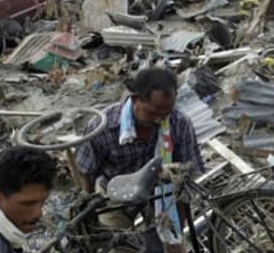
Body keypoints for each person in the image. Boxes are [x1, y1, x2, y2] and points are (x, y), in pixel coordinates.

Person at [75, 67, 204, 196]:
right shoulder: (102, 128)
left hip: (161, 192)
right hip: (116, 193)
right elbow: (87, 172)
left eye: (166, 114)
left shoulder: (179, 123)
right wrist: (90, 202)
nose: (159, 120)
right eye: (152, 113)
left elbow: (192, 167)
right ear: (135, 99)